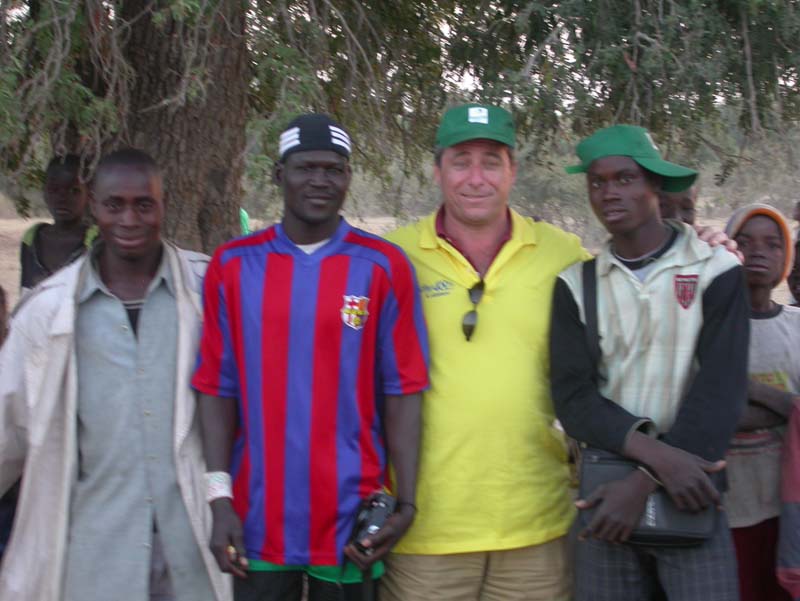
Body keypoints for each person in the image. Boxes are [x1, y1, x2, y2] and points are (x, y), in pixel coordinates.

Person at [192, 114, 429, 601]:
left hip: (352, 515)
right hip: (256, 517)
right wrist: (220, 500)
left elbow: (403, 391)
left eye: (334, 169)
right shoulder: (233, 265)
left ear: (348, 177)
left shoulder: (382, 266)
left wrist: (405, 503)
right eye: (305, 168)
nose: (320, 182)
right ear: (279, 175)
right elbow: (217, 389)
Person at [0, 148, 230, 601]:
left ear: (164, 206)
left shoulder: (207, 292)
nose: (129, 219)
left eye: (144, 204)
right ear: (95, 208)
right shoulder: (47, 312)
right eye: (114, 205)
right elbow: (8, 424)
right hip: (91, 560)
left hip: (191, 557)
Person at [550, 124, 749, 600]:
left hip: (692, 488)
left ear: (655, 185)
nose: (609, 193)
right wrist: (655, 459)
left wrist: (645, 482)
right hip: (605, 497)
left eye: (625, 179)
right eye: (597, 182)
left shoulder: (715, 270)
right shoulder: (576, 285)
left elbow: (720, 393)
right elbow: (574, 398)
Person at [723, 204, 797, 601]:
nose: (758, 252)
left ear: (786, 258)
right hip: (727, 511)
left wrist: (751, 390)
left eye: (772, 244)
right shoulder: (705, 326)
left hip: (787, 509)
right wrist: (788, 406)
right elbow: (710, 414)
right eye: (744, 242)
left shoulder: (795, 328)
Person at [19, 154, 97, 294]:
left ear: (89, 195)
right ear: (44, 192)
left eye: (74, 190)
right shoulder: (31, 239)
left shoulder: (96, 241)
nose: (62, 198)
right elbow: (25, 293)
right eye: (54, 190)